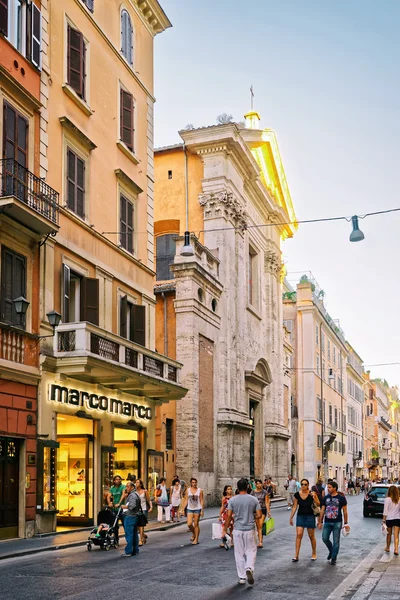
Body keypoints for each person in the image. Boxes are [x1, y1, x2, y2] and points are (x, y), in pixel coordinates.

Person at [222, 478, 262, 586]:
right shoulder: (253, 499)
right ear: (248, 487)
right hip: (249, 529)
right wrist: (251, 515)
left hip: (238, 529)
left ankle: (242, 577)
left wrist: (225, 529)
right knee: (251, 550)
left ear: (237, 488)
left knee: (239, 553)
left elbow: (229, 516)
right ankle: (249, 567)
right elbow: (259, 515)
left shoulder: (232, 500)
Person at [318, 481, 349, 565]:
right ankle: (331, 551)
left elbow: (345, 511)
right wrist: (320, 521)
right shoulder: (326, 498)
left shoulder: (341, 498)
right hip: (327, 521)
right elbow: (322, 510)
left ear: (335, 488)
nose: (328, 489)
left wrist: (346, 523)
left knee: (336, 541)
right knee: (325, 538)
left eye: (330, 487)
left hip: (337, 522)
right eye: (327, 487)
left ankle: (334, 557)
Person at [289, 478, 319, 561]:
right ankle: (296, 555)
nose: (303, 486)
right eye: (302, 484)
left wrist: (314, 497)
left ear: (308, 485)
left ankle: (314, 553)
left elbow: (318, 504)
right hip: (300, 516)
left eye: (305, 484)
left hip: (310, 516)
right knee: (299, 535)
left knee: (311, 536)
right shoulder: (297, 495)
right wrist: (291, 517)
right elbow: (295, 506)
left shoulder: (312, 494)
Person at [121, 480, 141, 557]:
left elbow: (132, 506)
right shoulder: (134, 494)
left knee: (129, 534)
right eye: (126, 486)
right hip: (134, 516)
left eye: (128, 486)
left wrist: (124, 506)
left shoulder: (132, 495)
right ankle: (135, 550)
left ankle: (129, 551)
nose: (127, 488)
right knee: (134, 534)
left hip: (130, 516)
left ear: (132, 487)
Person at [183, 477, 204, 544]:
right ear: (191, 483)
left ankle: (196, 539)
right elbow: (186, 500)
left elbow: (201, 500)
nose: (194, 484)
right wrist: (183, 509)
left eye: (195, 482)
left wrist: (202, 510)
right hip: (190, 508)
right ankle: (194, 533)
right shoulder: (188, 490)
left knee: (196, 524)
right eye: (193, 482)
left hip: (197, 508)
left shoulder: (200, 490)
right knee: (189, 524)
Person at [251, 479, 271, 548]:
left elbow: (267, 502)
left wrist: (268, 512)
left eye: (260, 483)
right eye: (257, 483)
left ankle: (260, 542)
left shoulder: (264, 492)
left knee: (260, 525)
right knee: (258, 526)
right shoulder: (252, 493)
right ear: (255, 484)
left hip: (263, 510)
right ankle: (259, 540)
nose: (259, 485)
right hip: (255, 511)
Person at [383, 485, 400, 555]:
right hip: (397, 518)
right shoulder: (399, 499)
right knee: (396, 535)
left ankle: (388, 547)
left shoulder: (387, 499)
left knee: (388, 534)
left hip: (389, 519)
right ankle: (396, 549)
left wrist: (383, 520)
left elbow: (385, 511)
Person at [135, 479, 152, 546]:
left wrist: (151, 507)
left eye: (138, 482)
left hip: (143, 509)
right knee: (137, 525)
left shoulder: (145, 491)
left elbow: (149, 500)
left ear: (141, 484)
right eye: (136, 482)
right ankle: (143, 535)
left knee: (141, 524)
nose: (136, 484)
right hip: (136, 510)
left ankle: (141, 540)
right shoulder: (134, 492)